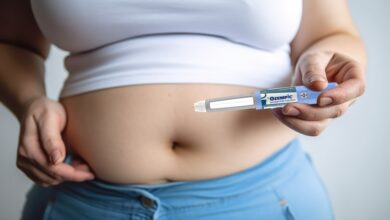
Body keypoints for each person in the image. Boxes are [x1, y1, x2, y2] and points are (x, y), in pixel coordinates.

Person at [0, 0, 366, 219]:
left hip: (263, 198)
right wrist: (29, 101)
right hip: (85, 202)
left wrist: (328, 66)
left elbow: (331, 32)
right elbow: (12, 43)